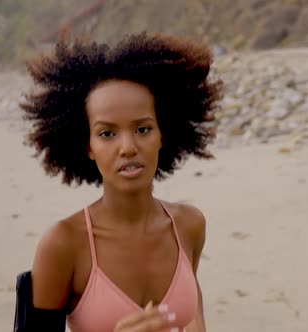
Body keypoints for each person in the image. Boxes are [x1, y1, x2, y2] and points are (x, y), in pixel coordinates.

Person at [21, 32, 223, 332]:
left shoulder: (189, 226)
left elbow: (194, 320)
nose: (128, 147)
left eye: (143, 129)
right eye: (107, 133)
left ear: (162, 134)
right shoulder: (63, 245)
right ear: (87, 146)